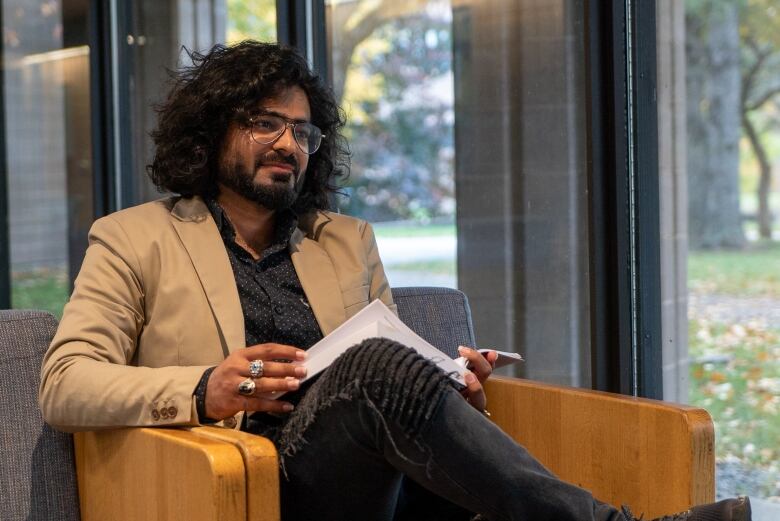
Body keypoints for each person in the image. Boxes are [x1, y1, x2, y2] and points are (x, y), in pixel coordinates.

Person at [39, 41, 750, 521]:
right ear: (210, 129)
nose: (289, 144)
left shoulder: (345, 242)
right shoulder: (134, 237)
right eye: (265, 123)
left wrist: (449, 383)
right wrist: (203, 387)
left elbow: (386, 373)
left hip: (366, 473)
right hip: (240, 474)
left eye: (303, 132)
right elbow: (64, 382)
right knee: (378, 368)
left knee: (389, 370)